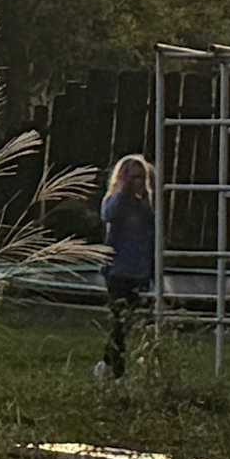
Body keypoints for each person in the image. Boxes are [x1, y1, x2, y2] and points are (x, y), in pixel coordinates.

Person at [98, 152, 158, 382]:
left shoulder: (145, 206)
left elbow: (151, 239)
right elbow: (108, 215)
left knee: (133, 322)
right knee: (120, 322)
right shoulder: (115, 201)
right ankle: (115, 369)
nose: (138, 183)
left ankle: (110, 364)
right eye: (133, 177)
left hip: (140, 272)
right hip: (118, 272)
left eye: (141, 178)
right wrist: (123, 192)